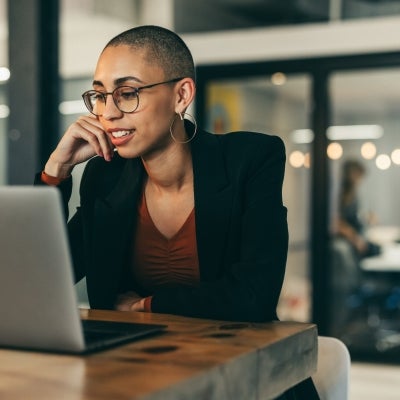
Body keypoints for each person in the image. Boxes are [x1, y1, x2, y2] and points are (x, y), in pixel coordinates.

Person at [35, 25, 319, 399]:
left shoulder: (250, 159)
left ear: (181, 94)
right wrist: (57, 170)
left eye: (128, 93)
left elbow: (254, 296)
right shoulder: (106, 176)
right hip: (136, 377)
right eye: (100, 96)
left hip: (246, 378)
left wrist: (146, 305)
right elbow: (43, 276)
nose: (108, 113)